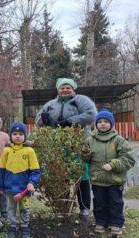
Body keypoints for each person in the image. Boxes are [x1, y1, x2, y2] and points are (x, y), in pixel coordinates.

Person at [35, 78, 97, 218]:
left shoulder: (81, 100)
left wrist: (70, 121)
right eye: (62, 88)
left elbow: (91, 115)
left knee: (81, 175)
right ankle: (62, 207)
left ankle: (84, 208)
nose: (65, 90)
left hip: (78, 144)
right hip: (58, 146)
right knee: (60, 174)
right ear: (58, 90)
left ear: (73, 88)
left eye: (68, 87)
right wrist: (44, 120)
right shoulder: (50, 104)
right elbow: (38, 119)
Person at [81, 109, 135, 237]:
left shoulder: (118, 140)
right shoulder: (90, 140)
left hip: (114, 180)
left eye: (106, 121)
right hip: (97, 179)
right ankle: (101, 223)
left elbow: (128, 159)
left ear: (111, 123)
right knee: (99, 203)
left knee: (115, 203)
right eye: (100, 121)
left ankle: (115, 225)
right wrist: (85, 153)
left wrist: (113, 164)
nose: (103, 124)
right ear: (96, 124)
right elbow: (86, 160)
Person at [0, 121, 41, 238]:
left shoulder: (29, 151)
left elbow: (35, 171)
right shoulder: (6, 151)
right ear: (11, 136)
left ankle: (24, 228)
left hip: (24, 190)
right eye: (15, 133)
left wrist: (32, 182)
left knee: (24, 209)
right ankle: (12, 228)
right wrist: (1, 186)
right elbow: (1, 170)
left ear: (24, 136)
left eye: (21, 134)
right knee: (10, 209)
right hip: (10, 189)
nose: (17, 136)